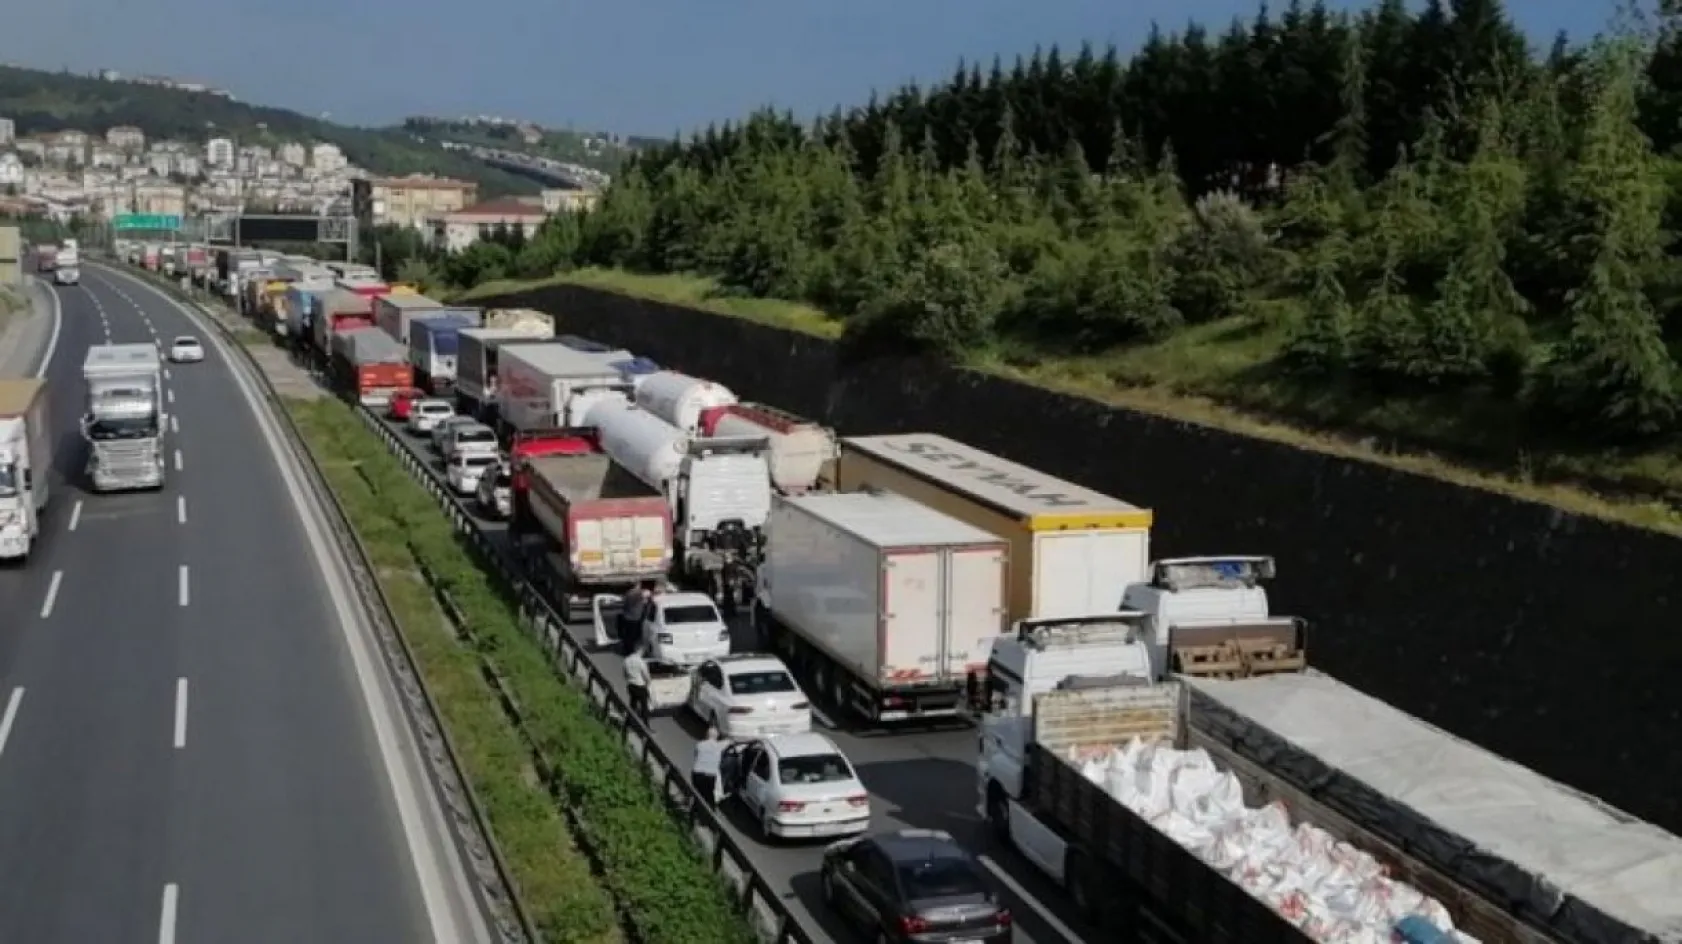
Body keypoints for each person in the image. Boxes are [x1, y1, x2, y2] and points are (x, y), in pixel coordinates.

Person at [692, 726, 726, 806]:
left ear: (706, 735)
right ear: (717, 737)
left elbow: (696, 756)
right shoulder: (720, 746)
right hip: (710, 776)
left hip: (697, 774)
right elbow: (731, 741)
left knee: (697, 793)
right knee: (708, 796)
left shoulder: (699, 744)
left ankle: (695, 809)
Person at [619, 581, 653, 657]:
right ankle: (634, 651)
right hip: (637, 618)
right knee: (636, 635)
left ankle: (627, 650)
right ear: (637, 585)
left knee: (628, 636)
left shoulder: (628, 594)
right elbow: (648, 599)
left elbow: (624, 605)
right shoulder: (641, 593)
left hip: (627, 617)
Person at [623, 648, 651, 721]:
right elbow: (646, 676)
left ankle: (628, 722)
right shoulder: (641, 662)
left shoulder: (626, 660)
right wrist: (648, 683)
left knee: (632, 704)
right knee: (644, 706)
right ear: (640, 651)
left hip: (631, 686)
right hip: (640, 686)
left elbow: (625, 674)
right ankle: (645, 725)